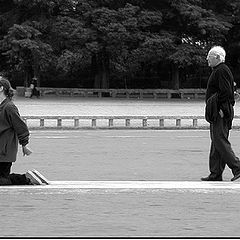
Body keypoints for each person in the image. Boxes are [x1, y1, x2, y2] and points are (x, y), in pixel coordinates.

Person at [201, 46, 240, 181]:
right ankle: (215, 173)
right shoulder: (219, 70)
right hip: (218, 110)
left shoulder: (221, 70)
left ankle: (237, 166)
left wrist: (221, 109)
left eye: (209, 56)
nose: (207, 59)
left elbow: (226, 93)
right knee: (216, 140)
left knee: (219, 140)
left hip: (220, 111)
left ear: (217, 57)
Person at [0, 76, 46, 185]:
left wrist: (24, 145)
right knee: (2, 178)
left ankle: (26, 178)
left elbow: (21, 127)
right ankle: (26, 177)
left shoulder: (9, 107)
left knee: (2, 180)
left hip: (4, 151)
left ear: (1, 88)